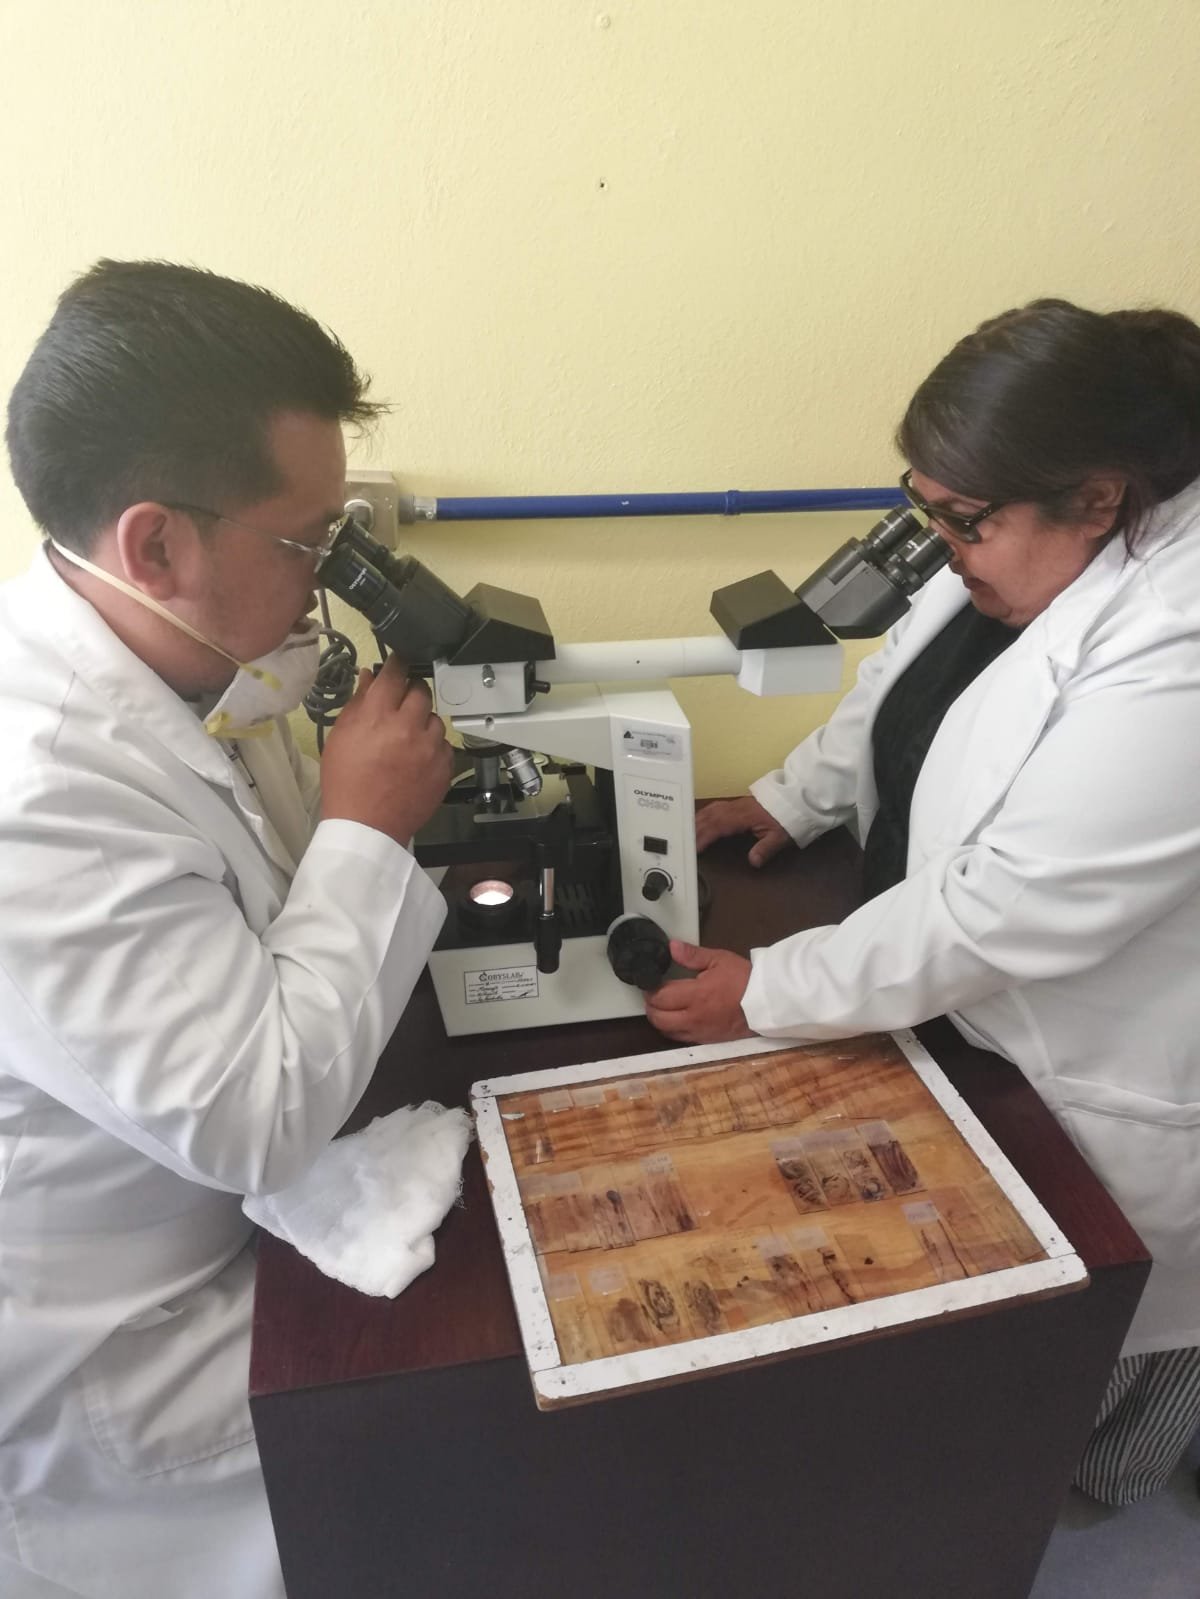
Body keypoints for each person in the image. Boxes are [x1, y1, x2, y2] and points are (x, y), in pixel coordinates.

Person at [646, 298, 1200, 1506]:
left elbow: (1013, 904)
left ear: (1096, 497)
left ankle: (1093, 1504)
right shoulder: (1023, 551)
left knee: (1108, 1391)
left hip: (1118, 1063)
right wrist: (793, 795)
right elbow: (911, 685)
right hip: (968, 1005)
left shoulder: (1182, 638)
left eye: (962, 519)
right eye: (923, 506)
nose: (939, 546)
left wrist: (772, 989)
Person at [0, 261, 454, 1597]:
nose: (325, 581)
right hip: (115, 1355)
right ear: (156, 547)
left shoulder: (168, 659)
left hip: (209, 1228)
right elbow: (256, 1116)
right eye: (307, 544)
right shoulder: (38, 791)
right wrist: (370, 826)